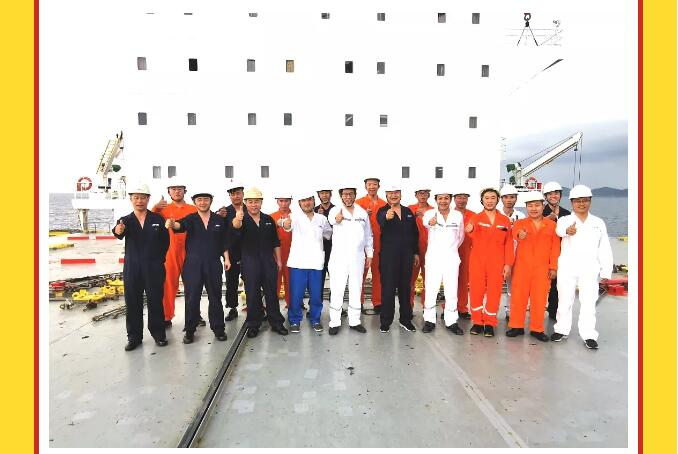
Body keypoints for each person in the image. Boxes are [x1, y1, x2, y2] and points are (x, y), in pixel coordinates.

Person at [551, 185, 613, 349]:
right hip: (567, 266)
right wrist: (568, 231)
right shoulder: (565, 220)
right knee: (564, 299)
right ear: (572, 202)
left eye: (585, 200)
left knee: (589, 301)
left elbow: (604, 247)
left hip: (589, 267)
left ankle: (589, 334)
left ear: (590, 201)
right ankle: (561, 329)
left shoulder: (598, 222)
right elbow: (559, 231)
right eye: (577, 201)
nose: (581, 204)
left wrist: (606, 270)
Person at [166, 190, 230, 343]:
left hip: (213, 263)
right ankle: (190, 330)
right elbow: (180, 225)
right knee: (192, 298)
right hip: (193, 264)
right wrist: (173, 224)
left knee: (215, 297)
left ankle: (218, 329)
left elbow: (223, 242)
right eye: (199, 200)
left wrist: (227, 259)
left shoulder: (218, 220)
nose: (202, 202)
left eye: (205, 199)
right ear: (195, 202)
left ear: (210, 201)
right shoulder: (191, 219)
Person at [113, 182, 169, 351]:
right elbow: (118, 232)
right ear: (131, 199)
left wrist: (158, 260)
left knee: (155, 302)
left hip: (154, 268)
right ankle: (134, 337)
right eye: (136, 198)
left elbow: (165, 242)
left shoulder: (157, 219)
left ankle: (158, 334)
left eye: (142, 198)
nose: (139, 201)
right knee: (132, 302)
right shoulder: (125, 220)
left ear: (148, 199)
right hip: (133, 269)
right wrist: (118, 230)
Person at [231, 187, 289, 338]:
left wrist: (279, 261)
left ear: (261, 203)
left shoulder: (268, 219)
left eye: (256, 201)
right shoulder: (241, 219)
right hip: (250, 262)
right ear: (246, 203)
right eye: (250, 202)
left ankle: (276, 322)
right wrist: (238, 218)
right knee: (252, 294)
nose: (253, 205)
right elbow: (235, 226)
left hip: (268, 261)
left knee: (272, 293)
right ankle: (253, 324)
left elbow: (275, 242)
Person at [506, 192, 560, 342]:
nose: (534, 208)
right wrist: (520, 235)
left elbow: (555, 248)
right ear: (526, 207)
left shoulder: (552, 225)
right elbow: (514, 234)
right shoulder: (519, 223)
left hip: (542, 269)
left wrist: (553, 267)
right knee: (518, 298)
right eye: (530, 206)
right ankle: (516, 326)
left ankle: (537, 329)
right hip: (522, 268)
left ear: (543, 206)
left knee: (539, 299)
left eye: (537, 205)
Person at [465, 188, 514, 337]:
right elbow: (470, 232)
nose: (490, 200)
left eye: (493, 197)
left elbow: (509, 243)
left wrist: (508, 264)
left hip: (497, 262)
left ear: (498, 200)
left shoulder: (505, 220)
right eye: (486, 198)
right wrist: (469, 230)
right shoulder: (475, 218)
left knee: (494, 292)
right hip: (477, 261)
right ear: (482, 200)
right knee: (476, 291)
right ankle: (477, 322)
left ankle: (490, 323)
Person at [282, 192, 333, 332]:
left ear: (313, 201)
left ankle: (315, 319)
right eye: (303, 201)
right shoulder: (294, 217)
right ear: (299, 203)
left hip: (316, 263)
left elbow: (328, 234)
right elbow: (284, 224)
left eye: (309, 200)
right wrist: (284, 223)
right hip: (298, 263)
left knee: (316, 295)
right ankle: (294, 320)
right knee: (296, 295)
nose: (306, 203)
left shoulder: (322, 219)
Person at [151, 178, 198, 327]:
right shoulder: (162, 210)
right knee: (168, 286)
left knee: (193, 286)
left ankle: (194, 316)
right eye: (173, 189)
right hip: (170, 253)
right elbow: (149, 220)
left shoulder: (193, 209)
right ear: (169, 192)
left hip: (190, 251)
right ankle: (166, 316)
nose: (177, 191)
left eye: (180, 189)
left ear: (185, 191)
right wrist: (155, 208)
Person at [327, 184, 374, 335]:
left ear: (355, 195)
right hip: (338, 258)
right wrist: (337, 219)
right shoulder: (335, 210)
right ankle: (334, 322)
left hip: (357, 257)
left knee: (356, 289)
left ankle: (355, 321)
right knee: (337, 289)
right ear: (341, 196)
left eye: (350, 194)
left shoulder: (362, 212)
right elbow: (331, 220)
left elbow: (368, 235)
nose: (348, 197)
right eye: (345, 194)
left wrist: (370, 254)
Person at [421, 188, 464, 335]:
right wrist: (430, 222)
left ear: (450, 199)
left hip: (451, 258)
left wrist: (451, 250)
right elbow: (425, 223)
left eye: (446, 198)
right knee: (431, 289)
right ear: (436, 200)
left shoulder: (457, 215)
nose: (443, 201)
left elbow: (460, 236)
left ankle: (451, 321)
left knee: (451, 290)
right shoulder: (429, 214)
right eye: (440, 198)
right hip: (433, 258)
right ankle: (429, 320)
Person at [376, 184, 419, 333]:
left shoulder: (408, 212)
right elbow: (380, 220)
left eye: (396, 193)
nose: (393, 195)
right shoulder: (383, 211)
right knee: (388, 289)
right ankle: (385, 321)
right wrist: (386, 217)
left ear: (400, 194)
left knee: (405, 288)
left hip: (406, 257)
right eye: (390, 193)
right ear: (386, 195)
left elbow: (414, 233)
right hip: (389, 258)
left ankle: (405, 320)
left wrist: (415, 253)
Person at [541, 181, 571, 320]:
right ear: (545, 196)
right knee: (541, 285)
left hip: (561, 254)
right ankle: (537, 311)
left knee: (557, 285)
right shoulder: (540, 212)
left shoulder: (567, 214)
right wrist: (547, 220)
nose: (553, 196)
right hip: (543, 254)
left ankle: (553, 312)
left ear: (560, 195)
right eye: (550, 194)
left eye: (556, 193)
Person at [356, 177, 387, 313]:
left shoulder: (385, 204)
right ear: (365, 187)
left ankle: (378, 302)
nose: (372, 187)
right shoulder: (358, 203)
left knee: (378, 273)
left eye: (374, 184)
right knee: (360, 273)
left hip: (380, 243)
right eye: (369, 184)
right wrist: (364, 214)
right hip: (363, 243)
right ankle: (358, 302)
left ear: (379, 186)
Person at [217, 182, 245, 322]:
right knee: (231, 282)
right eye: (232, 194)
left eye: (238, 193)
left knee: (253, 281)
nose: (236, 196)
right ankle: (232, 308)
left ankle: (255, 306)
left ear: (243, 194)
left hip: (248, 251)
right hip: (231, 253)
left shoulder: (250, 208)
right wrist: (218, 215)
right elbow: (218, 230)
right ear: (229, 196)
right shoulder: (224, 212)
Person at [499, 184, 525, 321]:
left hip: (516, 255)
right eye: (506, 197)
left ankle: (510, 312)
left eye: (512, 197)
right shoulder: (495, 214)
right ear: (501, 199)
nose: (509, 200)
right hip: (497, 255)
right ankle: (490, 313)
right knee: (493, 287)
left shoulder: (521, 216)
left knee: (513, 287)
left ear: (516, 199)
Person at [407, 186, 433, 308]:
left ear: (429, 195)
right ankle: (409, 306)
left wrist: (425, 217)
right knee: (410, 278)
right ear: (416, 195)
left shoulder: (434, 211)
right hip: (413, 248)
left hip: (429, 248)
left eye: (425, 193)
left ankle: (426, 306)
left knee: (428, 279)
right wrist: (413, 216)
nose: (423, 196)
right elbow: (403, 226)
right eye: (420, 193)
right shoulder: (409, 209)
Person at [453, 189, 475, 320]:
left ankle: (462, 308)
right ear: (454, 199)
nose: (462, 200)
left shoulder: (473, 215)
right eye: (459, 197)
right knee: (450, 280)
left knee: (463, 281)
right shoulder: (448, 214)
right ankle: (449, 307)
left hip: (467, 251)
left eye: (464, 197)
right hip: (451, 251)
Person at [271, 195, 293, 308]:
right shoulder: (271, 217)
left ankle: (291, 305)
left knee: (291, 281)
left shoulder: (296, 216)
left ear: (290, 201)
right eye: (281, 201)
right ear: (277, 201)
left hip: (292, 254)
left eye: (286, 201)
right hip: (276, 254)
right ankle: (273, 307)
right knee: (274, 282)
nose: (284, 204)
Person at [314, 187, 335, 301]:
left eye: (326, 193)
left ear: (330, 194)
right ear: (319, 195)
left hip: (334, 249)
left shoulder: (336, 209)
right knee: (318, 278)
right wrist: (318, 217)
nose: (324, 195)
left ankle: (336, 304)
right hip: (319, 249)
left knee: (335, 277)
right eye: (322, 193)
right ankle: (317, 304)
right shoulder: (314, 210)